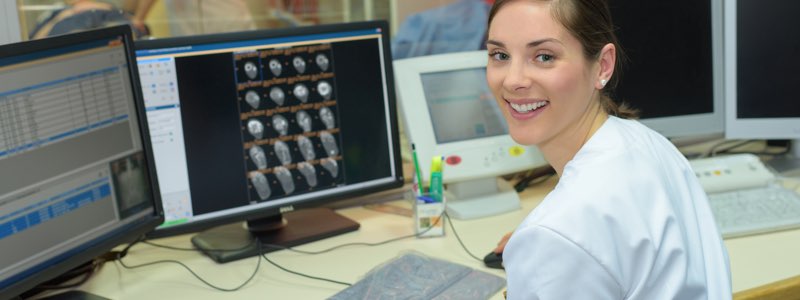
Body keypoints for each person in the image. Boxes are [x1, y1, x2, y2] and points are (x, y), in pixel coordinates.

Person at [484, 0, 732, 298]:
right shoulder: (648, 142)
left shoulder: (558, 231)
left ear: (602, 65)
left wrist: (545, 254)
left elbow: (575, 231)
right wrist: (546, 252)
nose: (513, 80)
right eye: (500, 55)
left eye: (544, 56)